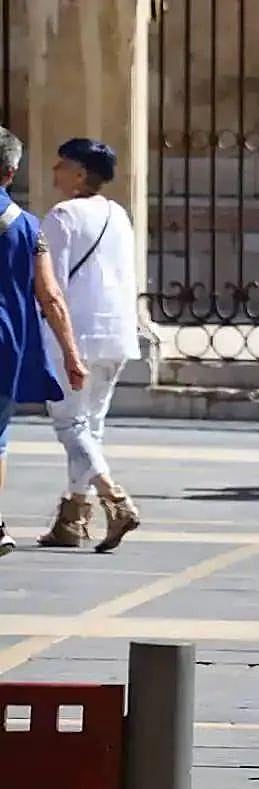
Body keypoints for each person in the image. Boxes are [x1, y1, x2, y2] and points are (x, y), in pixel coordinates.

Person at [33, 138, 140, 554]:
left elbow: (51, 286)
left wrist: (63, 345)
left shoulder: (61, 216)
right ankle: (73, 516)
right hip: (115, 333)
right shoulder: (119, 214)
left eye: (63, 165)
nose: (55, 171)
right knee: (90, 427)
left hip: (75, 333)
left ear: (80, 175)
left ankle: (114, 499)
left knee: (69, 424)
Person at [0, 126, 87, 556]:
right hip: (6, 343)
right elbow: (50, 295)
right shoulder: (29, 227)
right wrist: (71, 354)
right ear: (11, 171)